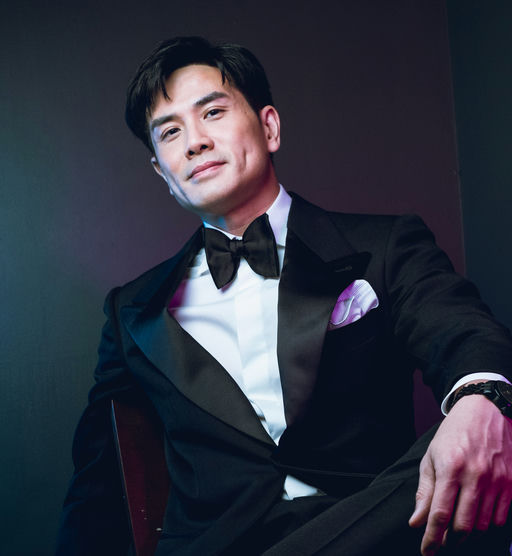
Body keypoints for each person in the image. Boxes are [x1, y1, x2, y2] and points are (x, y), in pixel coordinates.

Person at [57, 36, 512, 555]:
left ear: (269, 127)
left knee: (470, 423)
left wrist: (482, 398)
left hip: (369, 529)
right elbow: (95, 484)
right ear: (162, 171)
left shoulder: (385, 245)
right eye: (170, 131)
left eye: (212, 113)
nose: (195, 142)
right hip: (218, 545)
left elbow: (463, 331)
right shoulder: (133, 312)